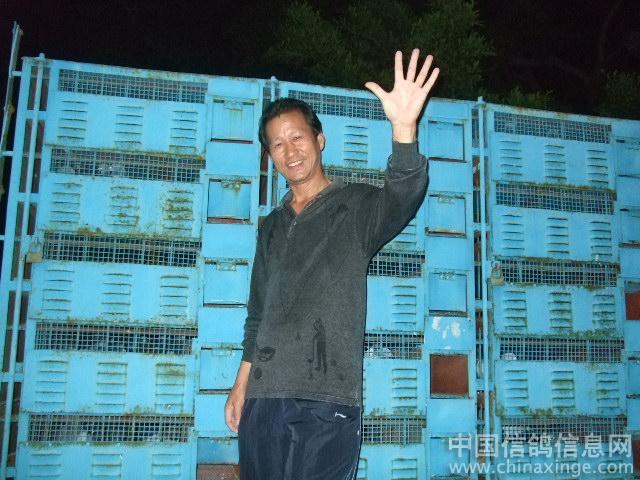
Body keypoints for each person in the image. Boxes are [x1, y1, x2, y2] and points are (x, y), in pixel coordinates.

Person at [224, 49, 439, 480]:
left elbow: (404, 195)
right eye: (277, 144)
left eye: (297, 137)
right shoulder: (271, 226)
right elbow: (258, 312)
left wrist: (404, 130)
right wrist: (241, 382)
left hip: (327, 401)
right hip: (265, 396)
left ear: (319, 140)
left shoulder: (356, 207)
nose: (290, 151)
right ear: (270, 156)